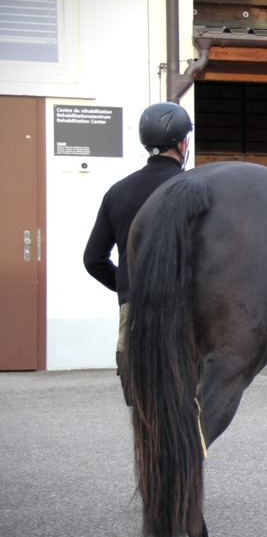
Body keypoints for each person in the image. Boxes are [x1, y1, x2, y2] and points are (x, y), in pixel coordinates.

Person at [83, 102, 192, 396]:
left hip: (133, 309)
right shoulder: (194, 187)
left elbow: (93, 260)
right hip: (184, 308)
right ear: (183, 142)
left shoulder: (117, 191)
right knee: (184, 403)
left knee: (143, 407)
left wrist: (128, 287)